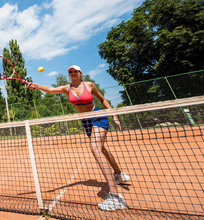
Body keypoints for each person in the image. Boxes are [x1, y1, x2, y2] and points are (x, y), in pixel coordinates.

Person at [28, 65, 129, 212]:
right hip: (85, 121)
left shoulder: (89, 85)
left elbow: (102, 99)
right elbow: (49, 90)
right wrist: (35, 85)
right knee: (101, 148)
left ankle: (115, 196)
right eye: (70, 72)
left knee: (94, 147)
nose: (73, 73)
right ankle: (119, 174)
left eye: (75, 71)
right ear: (69, 75)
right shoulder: (66, 88)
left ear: (81, 73)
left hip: (97, 116)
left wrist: (114, 115)